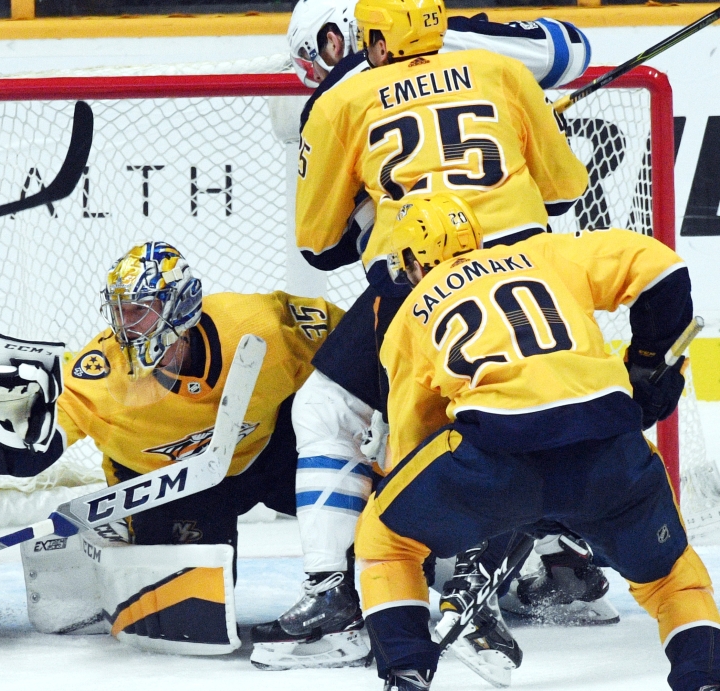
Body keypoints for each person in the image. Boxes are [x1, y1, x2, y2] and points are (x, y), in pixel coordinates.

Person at [252, 0, 606, 674]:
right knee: (507, 417)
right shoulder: (497, 66)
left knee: (332, 410)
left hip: (423, 281)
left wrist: (372, 197)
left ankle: (339, 598)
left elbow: (319, 246)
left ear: (351, 36)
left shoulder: (338, 97)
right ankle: (525, 566)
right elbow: (562, 187)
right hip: (537, 281)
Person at [357, 192, 718, 691]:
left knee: (384, 538)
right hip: (609, 446)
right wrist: (652, 360)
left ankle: (406, 673)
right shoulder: (542, 253)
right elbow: (660, 267)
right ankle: (703, 678)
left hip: (497, 457)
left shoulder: (409, 315)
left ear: (414, 261)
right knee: (671, 574)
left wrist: (460, 510)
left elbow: (416, 441)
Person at [0, 241, 349, 661]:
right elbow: (22, 462)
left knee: (357, 501)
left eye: (138, 309)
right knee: (189, 621)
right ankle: (124, 530)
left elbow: (365, 344)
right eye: (119, 310)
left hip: (269, 455)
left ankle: (364, 599)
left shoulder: (262, 324)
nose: (124, 325)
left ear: (181, 305)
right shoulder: (102, 372)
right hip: (167, 486)